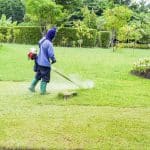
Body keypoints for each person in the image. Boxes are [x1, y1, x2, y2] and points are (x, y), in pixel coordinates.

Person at [29, 27, 57, 94]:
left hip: (39, 62)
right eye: (54, 36)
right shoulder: (49, 43)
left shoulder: (43, 40)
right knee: (45, 77)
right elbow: (51, 54)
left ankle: (31, 87)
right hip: (45, 64)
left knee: (38, 75)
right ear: (52, 36)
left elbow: (39, 43)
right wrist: (53, 60)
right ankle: (43, 91)